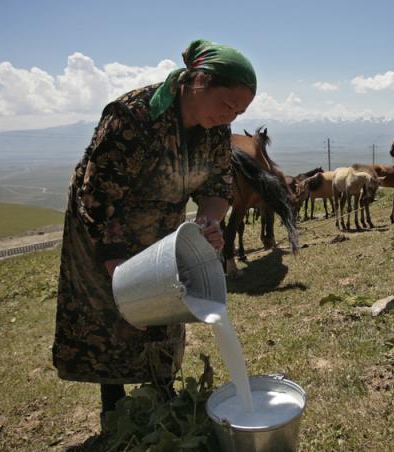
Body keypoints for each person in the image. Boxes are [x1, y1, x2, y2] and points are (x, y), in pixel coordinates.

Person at [52, 39, 256, 427]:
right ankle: (114, 407)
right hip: (103, 222)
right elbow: (96, 197)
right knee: (115, 313)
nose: (231, 116)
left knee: (167, 301)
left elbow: (218, 185)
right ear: (197, 82)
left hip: (162, 227)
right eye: (227, 104)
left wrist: (210, 220)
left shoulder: (215, 131)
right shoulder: (133, 117)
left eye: (240, 111)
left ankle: (163, 391)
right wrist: (117, 266)